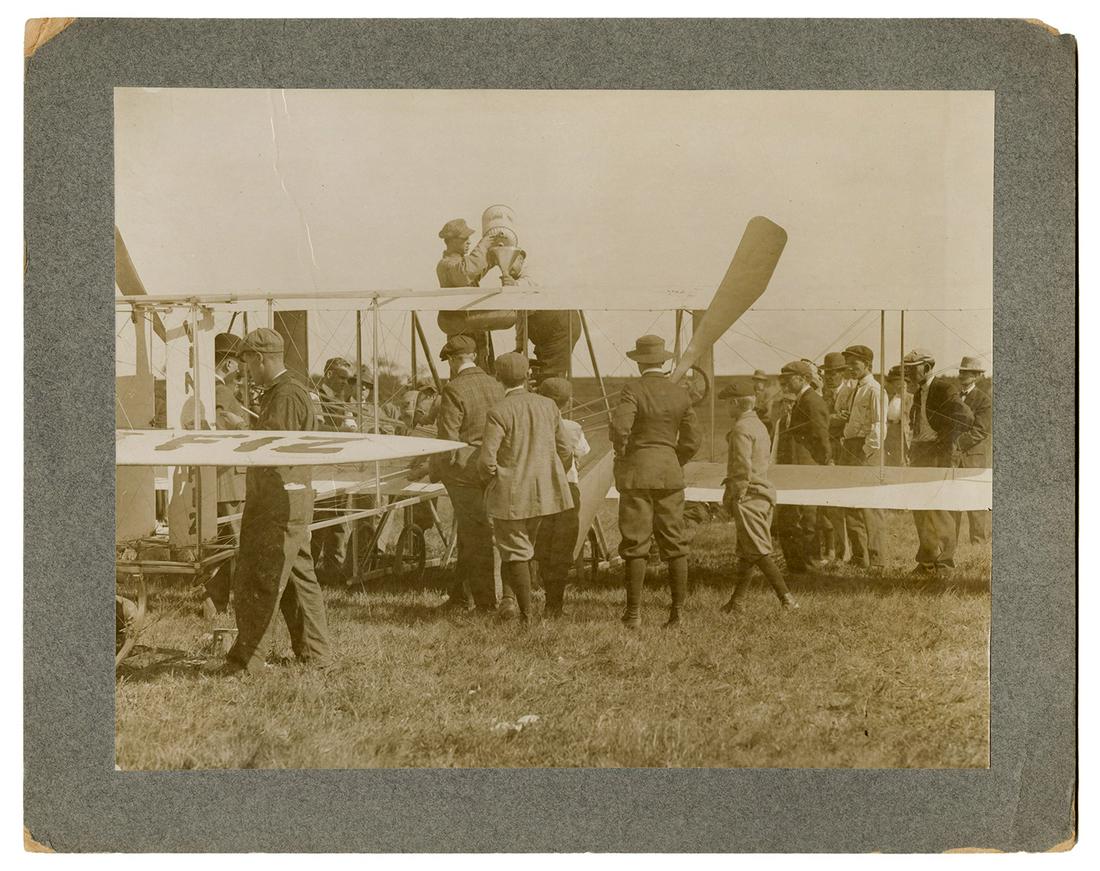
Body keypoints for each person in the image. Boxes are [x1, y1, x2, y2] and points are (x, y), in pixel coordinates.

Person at [222, 328, 332, 675]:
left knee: (260, 577)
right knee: (298, 577)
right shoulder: (290, 391)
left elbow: (275, 451)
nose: (246, 371)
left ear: (260, 358)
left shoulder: (284, 395)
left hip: (277, 500)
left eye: (247, 362)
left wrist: (240, 434)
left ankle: (247, 660)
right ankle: (315, 654)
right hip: (290, 498)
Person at [611, 335, 702, 628]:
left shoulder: (633, 389)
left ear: (639, 363)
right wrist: (674, 459)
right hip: (669, 472)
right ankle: (677, 613)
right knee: (675, 543)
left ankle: (633, 614)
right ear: (663, 361)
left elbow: (620, 428)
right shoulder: (680, 394)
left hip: (637, 472)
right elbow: (693, 439)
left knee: (636, 543)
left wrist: (624, 454)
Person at [477, 354, 575, 623]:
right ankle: (514, 606)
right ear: (527, 375)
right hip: (545, 495)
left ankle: (525, 616)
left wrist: (493, 480)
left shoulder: (499, 411)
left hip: (512, 494)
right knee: (523, 548)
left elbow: (486, 461)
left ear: (498, 377)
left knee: (515, 551)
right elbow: (566, 449)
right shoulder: (548, 406)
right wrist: (550, 475)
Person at [429, 334, 505, 612]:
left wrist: (434, 470)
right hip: (492, 466)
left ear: (451, 360)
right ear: (473, 356)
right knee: (471, 530)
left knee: (475, 534)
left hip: (463, 472)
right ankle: (461, 596)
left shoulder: (453, 389)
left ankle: (486, 604)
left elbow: (447, 440)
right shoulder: (497, 385)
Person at [717, 382, 798, 613]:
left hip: (749, 495)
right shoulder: (759, 425)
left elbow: (741, 467)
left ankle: (787, 600)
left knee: (759, 550)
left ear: (735, 403)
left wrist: (734, 497)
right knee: (748, 551)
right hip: (763, 492)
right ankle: (736, 602)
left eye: (727, 404)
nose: (726, 409)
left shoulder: (741, 429)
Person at [533, 377, 591, 617]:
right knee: (562, 546)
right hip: (567, 488)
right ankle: (554, 604)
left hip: (540, 488)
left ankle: (538, 595)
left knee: (542, 543)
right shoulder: (573, 427)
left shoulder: (534, 424)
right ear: (567, 403)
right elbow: (583, 452)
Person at [203, 332, 249, 618]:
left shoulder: (215, 389)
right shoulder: (221, 392)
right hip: (229, 480)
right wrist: (243, 425)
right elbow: (222, 423)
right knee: (235, 543)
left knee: (222, 545)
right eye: (240, 362)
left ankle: (214, 604)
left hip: (224, 479)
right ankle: (234, 604)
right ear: (230, 364)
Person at [904, 348, 962, 575]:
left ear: (927, 368)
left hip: (937, 454)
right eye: (906, 369)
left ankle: (944, 563)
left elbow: (964, 417)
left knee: (940, 507)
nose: (908, 373)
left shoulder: (944, 388)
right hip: (920, 453)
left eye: (912, 369)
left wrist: (945, 441)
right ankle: (927, 561)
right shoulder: (918, 392)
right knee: (921, 506)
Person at [775, 360, 831, 574]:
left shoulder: (812, 401)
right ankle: (799, 563)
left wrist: (823, 461)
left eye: (789, 379)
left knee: (806, 516)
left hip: (806, 467)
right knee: (797, 515)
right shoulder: (803, 400)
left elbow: (821, 435)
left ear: (803, 379)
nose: (785, 384)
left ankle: (807, 564)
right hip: (799, 466)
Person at [436, 218, 513, 372]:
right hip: (462, 334)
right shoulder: (446, 265)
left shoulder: (460, 264)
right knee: (465, 374)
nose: (469, 242)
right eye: (464, 238)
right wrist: (484, 244)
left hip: (473, 329)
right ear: (451, 241)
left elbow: (476, 270)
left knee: (482, 372)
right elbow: (466, 271)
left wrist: (496, 254)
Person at [834, 344, 885, 570]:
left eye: (854, 364)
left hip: (866, 450)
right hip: (850, 446)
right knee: (851, 502)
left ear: (868, 365)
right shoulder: (852, 388)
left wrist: (865, 452)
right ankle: (859, 556)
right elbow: (843, 413)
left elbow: (879, 425)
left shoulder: (875, 390)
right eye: (848, 365)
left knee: (870, 504)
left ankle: (877, 559)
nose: (850, 368)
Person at [310, 357, 357, 586]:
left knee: (338, 517)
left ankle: (333, 569)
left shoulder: (344, 400)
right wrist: (341, 430)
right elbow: (315, 427)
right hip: (320, 465)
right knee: (318, 519)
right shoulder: (314, 397)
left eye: (348, 379)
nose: (345, 383)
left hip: (340, 466)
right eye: (341, 378)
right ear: (328, 374)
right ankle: (309, 569)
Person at [500, 249, 581, 381]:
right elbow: (521, 316)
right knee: (543, 371)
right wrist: (519, 346)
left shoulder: (531, 272)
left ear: (521, 259)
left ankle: (552, 389)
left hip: (560, 327)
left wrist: (514, 285)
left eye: (510, 262)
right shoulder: (519, 282)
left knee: (551, 374)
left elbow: (529, 283)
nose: (506, 268)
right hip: (545, 332)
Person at [817, 351, 852, 562]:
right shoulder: (822, 394)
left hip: (842, 449)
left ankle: (844, 549)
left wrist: (827, 420)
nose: (829, 377)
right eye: (827, 373)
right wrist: (833, 418)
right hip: (825, 449)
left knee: (841, 500)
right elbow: (819, 421)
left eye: (834, 373)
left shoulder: (849, 392)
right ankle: (833, 548)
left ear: (843, 373)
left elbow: (845, 421)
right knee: (826, 502)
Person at [955, 356, 992, 543]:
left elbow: (980, 431)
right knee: (952, 501)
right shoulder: (953, 396)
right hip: (952, 458)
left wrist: (957, 443)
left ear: (977, 376)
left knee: (975, 502)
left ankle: (978, 543)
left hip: (973, 458)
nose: (962, 375)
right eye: (961, 372)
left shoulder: (983, 400)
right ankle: (950, 542)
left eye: (967, 373)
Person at [884, 364, 913, 466]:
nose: (900, 386)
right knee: (891, 457)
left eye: (903, 383)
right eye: (897, 383)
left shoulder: (912, 398)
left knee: (904, 458)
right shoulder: (889, 398)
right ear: (893, 385)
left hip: (904, 432)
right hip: (890, 431)